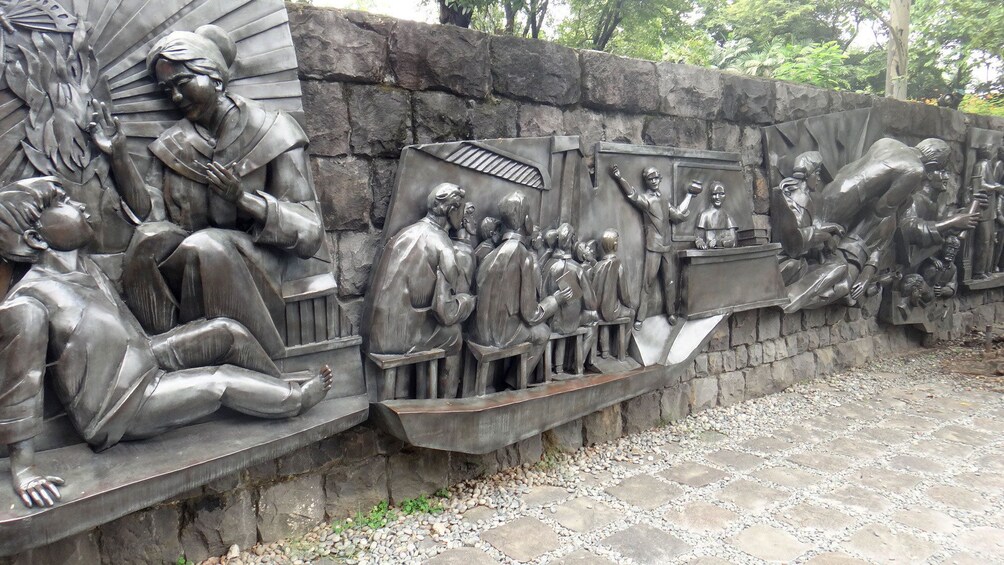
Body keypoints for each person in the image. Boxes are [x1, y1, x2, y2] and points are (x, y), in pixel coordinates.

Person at [0, 178, 332, 510]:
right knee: (221, 381)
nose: (80, 204)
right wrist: (25, 470)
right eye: (61, 203)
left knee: (225, 332)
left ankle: (272, 387)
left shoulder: (86, 270)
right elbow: (21, 385)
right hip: (121, 407)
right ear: (34, 238)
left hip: (146, 358)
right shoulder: (27, 302)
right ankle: (294, 401)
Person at [88, 25, 331, 357]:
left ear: (215, 78)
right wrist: (118, 156)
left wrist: (243, 200)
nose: (174, 97)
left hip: (266, 261)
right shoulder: (173, 145)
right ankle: (164, 355)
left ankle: (258, 361)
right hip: (193, 259)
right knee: (149, 242)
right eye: (166, 89)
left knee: (208, 244)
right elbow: (151, 217)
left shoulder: (273, 130)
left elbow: (308, 230)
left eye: (182, 83)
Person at [365, 184, 475, 399]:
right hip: (399, 336)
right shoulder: (444, 246)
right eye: (460, 209)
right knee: (453, 335)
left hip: (376, 330)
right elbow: (446, 313)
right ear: (452, 210)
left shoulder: (405, 233)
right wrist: (468, 301)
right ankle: (446, 402)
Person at [471, 191, 571, 380]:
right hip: (499, 336)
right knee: (542, 332)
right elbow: (531, 315)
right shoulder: (522, 255)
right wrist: (555, 300)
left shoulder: (491, 252)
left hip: (479, 330)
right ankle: (515, 382)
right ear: (527, 221)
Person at [609, 164, 702, 328]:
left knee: (669, 282)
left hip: (667, 247)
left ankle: (671, 313)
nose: (653, 181)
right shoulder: (647, 200)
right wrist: (619, 178)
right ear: (646, 181)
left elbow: (678, 215)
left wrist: (689, 195)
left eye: (656, 177)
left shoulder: (664, 200)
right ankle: (641, 317)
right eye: (650, 178)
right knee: (647, 283)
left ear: (660, 179)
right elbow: (632, 195)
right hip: (653, 248)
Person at [541, 223, 598, 374]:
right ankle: (577, 364)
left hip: (549, 321)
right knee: (594, 319)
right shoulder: (577, 268)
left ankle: (558, 367)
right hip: (571, 322)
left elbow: (541, 295)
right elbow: (591, 304)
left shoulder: (547, 265)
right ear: (572, 240)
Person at [694, 181, 738, 249]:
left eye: (721, 194)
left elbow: (733, 239)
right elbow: (699, 238)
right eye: (714, 194)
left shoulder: (727, 216)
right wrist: (700, 243)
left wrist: (720, 242)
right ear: (710, 196)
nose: (718, 197)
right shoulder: (704, 215)